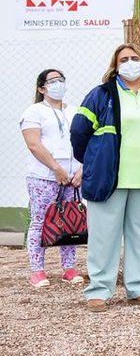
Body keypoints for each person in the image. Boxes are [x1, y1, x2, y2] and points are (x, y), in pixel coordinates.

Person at [70, 44, 140, 312]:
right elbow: (79, 132)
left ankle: (138, 288)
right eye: (124, 59)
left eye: (134, 58)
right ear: (115, 66)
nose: (130, 63)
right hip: (108, 180)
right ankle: (98, 291)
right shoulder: (101, 94)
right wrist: (94, 160)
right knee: (104, 238)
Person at [20, 69, 84, 288]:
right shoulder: (34, 111)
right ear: (42, 88)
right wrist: (56, 168)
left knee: (71, 222)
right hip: (44, 177)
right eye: (53, 81)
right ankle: (37, 271)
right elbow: (33, 144)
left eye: (61, 80)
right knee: (40, 220)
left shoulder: (75, 111)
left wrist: (82, 169)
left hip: (72, 178)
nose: (58, 84)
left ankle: (69, 268)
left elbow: (87, 141)